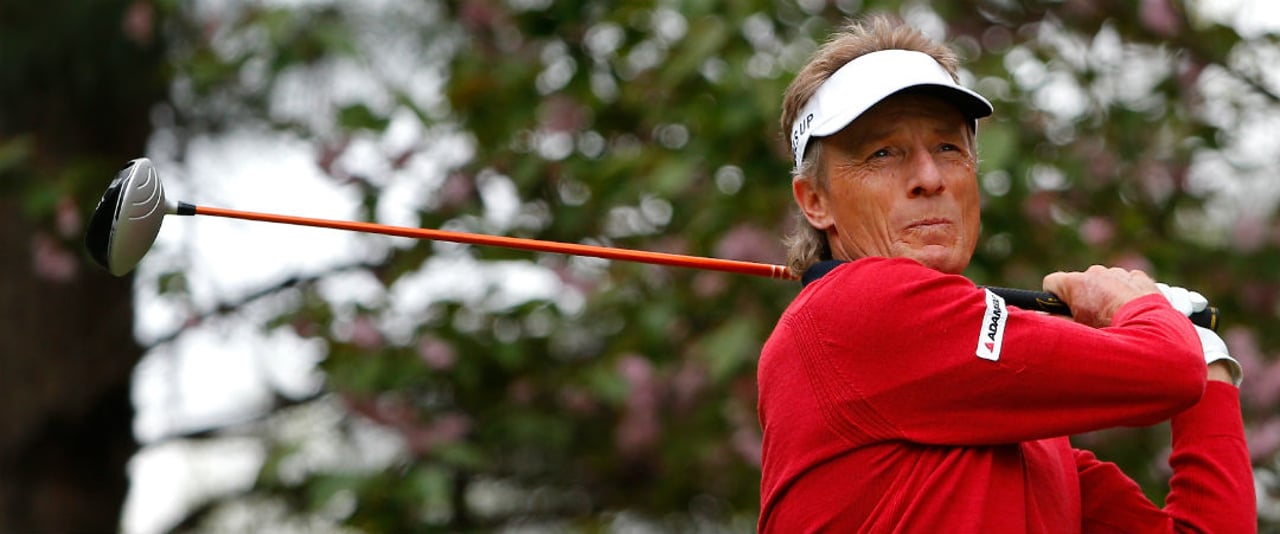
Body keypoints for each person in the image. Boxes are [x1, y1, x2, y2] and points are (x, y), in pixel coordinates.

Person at [757, 15, 1255, 533]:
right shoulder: (855, 305)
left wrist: (1209, 360)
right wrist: (1127, 303)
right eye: (883, 153)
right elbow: (1167, 372)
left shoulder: (1033, 443)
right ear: (815, 201)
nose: (929, 178)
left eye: (948, 148)